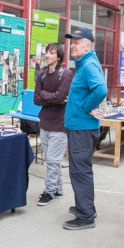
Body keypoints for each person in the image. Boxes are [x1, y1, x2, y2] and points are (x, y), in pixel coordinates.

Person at [63, 28, 107, 230]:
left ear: (88, 46)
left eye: (77, 42)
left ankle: (85, 216)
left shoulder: (88, 65)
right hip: (80, 126)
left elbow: (101, 89)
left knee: (80, 171)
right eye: (72, 41)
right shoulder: (84, 65)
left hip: (81, 129)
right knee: (82, 170)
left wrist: (87, 106)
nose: (72, 45)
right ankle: (86, 207)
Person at [33, 42, 73, 206]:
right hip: (45, 123)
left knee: (52, 160)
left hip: (60, 124)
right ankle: (58, 189)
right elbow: (36, 99)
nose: (47, 55)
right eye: (46, 52)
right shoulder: (41, 74)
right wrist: (49, 96)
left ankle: (49, 192)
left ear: (59, 56)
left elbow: (60, 97)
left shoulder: (66, 74)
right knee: (52, 160)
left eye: (51, 52)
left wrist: (45, 95)